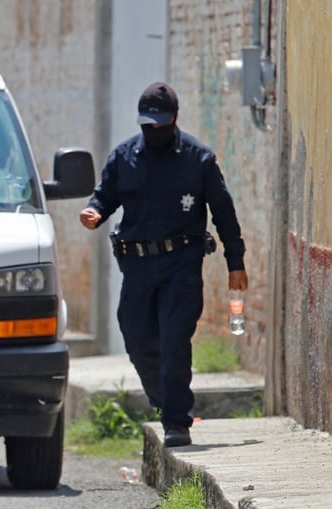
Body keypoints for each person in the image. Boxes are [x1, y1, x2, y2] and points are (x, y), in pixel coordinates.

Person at [78, 82, 248, 448]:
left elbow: (224, 213)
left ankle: (176, 421)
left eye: (161, 123)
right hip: (137, 266)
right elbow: (105, 195)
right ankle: (164, 401)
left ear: (174, 118)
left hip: (180, 265)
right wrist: (94, 211)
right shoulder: (124, 157)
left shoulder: (198, 160)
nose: (154, 129)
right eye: (148, 123)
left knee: (174, 342)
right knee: (137, 340)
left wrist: (235, 262)